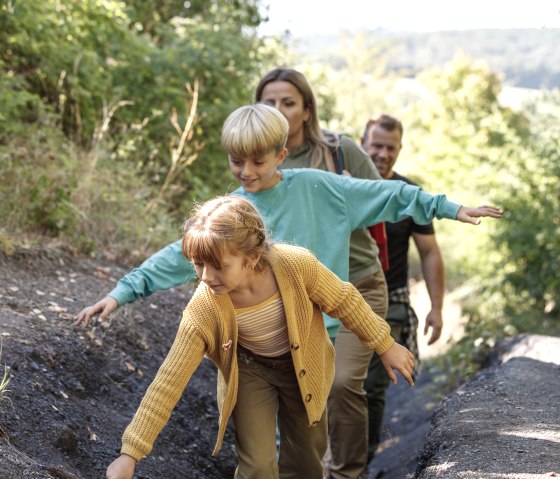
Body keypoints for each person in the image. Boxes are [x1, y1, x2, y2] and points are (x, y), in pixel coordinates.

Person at [75, 103, 501, 473]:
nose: (246, 172)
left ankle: (349, 470)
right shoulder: (229, 229)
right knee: (259, 461)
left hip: (316, 336)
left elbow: (385, 195)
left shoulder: (318, 192)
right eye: (236, 162)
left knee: (309, 451)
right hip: (252, 358)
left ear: (282, 154)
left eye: (257, 161)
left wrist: (447, 207)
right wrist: (120, 293)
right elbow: (172, 271)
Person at [104, 195, 416, 479]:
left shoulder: (295, 265)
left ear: (251, 258)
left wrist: (385, 345)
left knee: (306, 463)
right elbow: (169, 379)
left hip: (304, 365)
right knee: (257, 467)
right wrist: (129, 454)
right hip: (250, 370)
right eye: (198, 264)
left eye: (218, 266)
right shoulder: (204, 307)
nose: (205, 276)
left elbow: (344, 300)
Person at [255, 68, 388, 478]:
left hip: (357, 283)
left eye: (288, 102)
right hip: (299, 297)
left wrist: (346, 195)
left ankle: (347, 473)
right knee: (300, 390)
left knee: (344, 383)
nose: (278, 110)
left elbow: (384, 198)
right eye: (268, 102)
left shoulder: (339, 151)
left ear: (307, 110)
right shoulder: (253, 160)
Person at [361, 114, 445, 462]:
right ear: (362, 144)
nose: (382, 154)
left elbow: (429, 252)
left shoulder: (410, 195)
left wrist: (436, 307)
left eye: (390, 148)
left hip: (391, 300)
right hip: (333, 298)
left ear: (399, 150)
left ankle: (359, 462)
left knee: (373, 387)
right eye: (376, 146)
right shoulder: (337, 186)